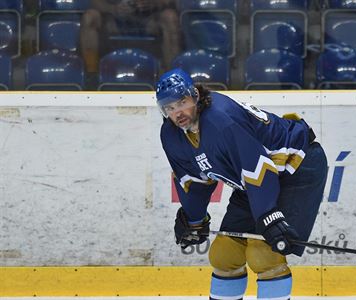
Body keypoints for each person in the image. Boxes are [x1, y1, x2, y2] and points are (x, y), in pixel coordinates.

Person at [157, 68, 328, 300]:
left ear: (195, 96)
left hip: (297, 165)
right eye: (170, 108)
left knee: (264, 253)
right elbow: (194, 181)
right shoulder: (171, 134)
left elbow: (259, 168)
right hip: (256, 178)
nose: (178, 113)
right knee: (224, 254)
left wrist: (267, 214)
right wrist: (194, 220)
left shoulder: (221, 119)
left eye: (182, 102)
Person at [79, 0, 181, 75]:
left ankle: (171, 76)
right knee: (90, 17)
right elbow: (94, 2)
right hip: (114, 22)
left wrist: (153, 4)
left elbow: (172, 2)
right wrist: (113, 9)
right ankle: (91, 75)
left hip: (150, 20)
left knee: (170, 17)